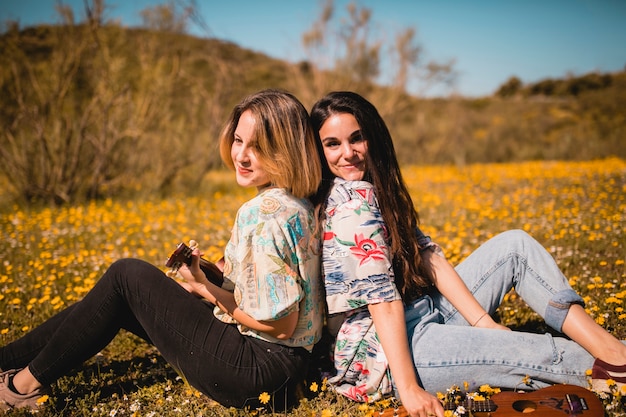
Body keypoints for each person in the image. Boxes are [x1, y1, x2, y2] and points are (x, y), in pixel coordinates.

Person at [0, 89, 324, 412]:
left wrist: (205, 289)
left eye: (258, 146)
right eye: (239, 140)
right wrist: (209, 276)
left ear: (286, 149)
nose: (241, 155)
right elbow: (271, 292)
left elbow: (279, 325)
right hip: (288, 368)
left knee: (126, 275)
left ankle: (21, 387)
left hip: (257, 371)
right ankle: (6, 361)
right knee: (122, 295)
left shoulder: (261, 214)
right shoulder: (297, 205)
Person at [310, 91, 626, 417]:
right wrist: (409, 389)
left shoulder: (376, 190)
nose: (348, 153)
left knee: (514, 247)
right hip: (384, 355)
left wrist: (484, 323)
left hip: (418, 313)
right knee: (535, 352)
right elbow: (382, 301)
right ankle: (611, 367)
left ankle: (610, 350)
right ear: (318, 151)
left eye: (357, 138)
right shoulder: (351, 204)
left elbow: (427, 256)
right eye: (333, 144)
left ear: (372, 137)